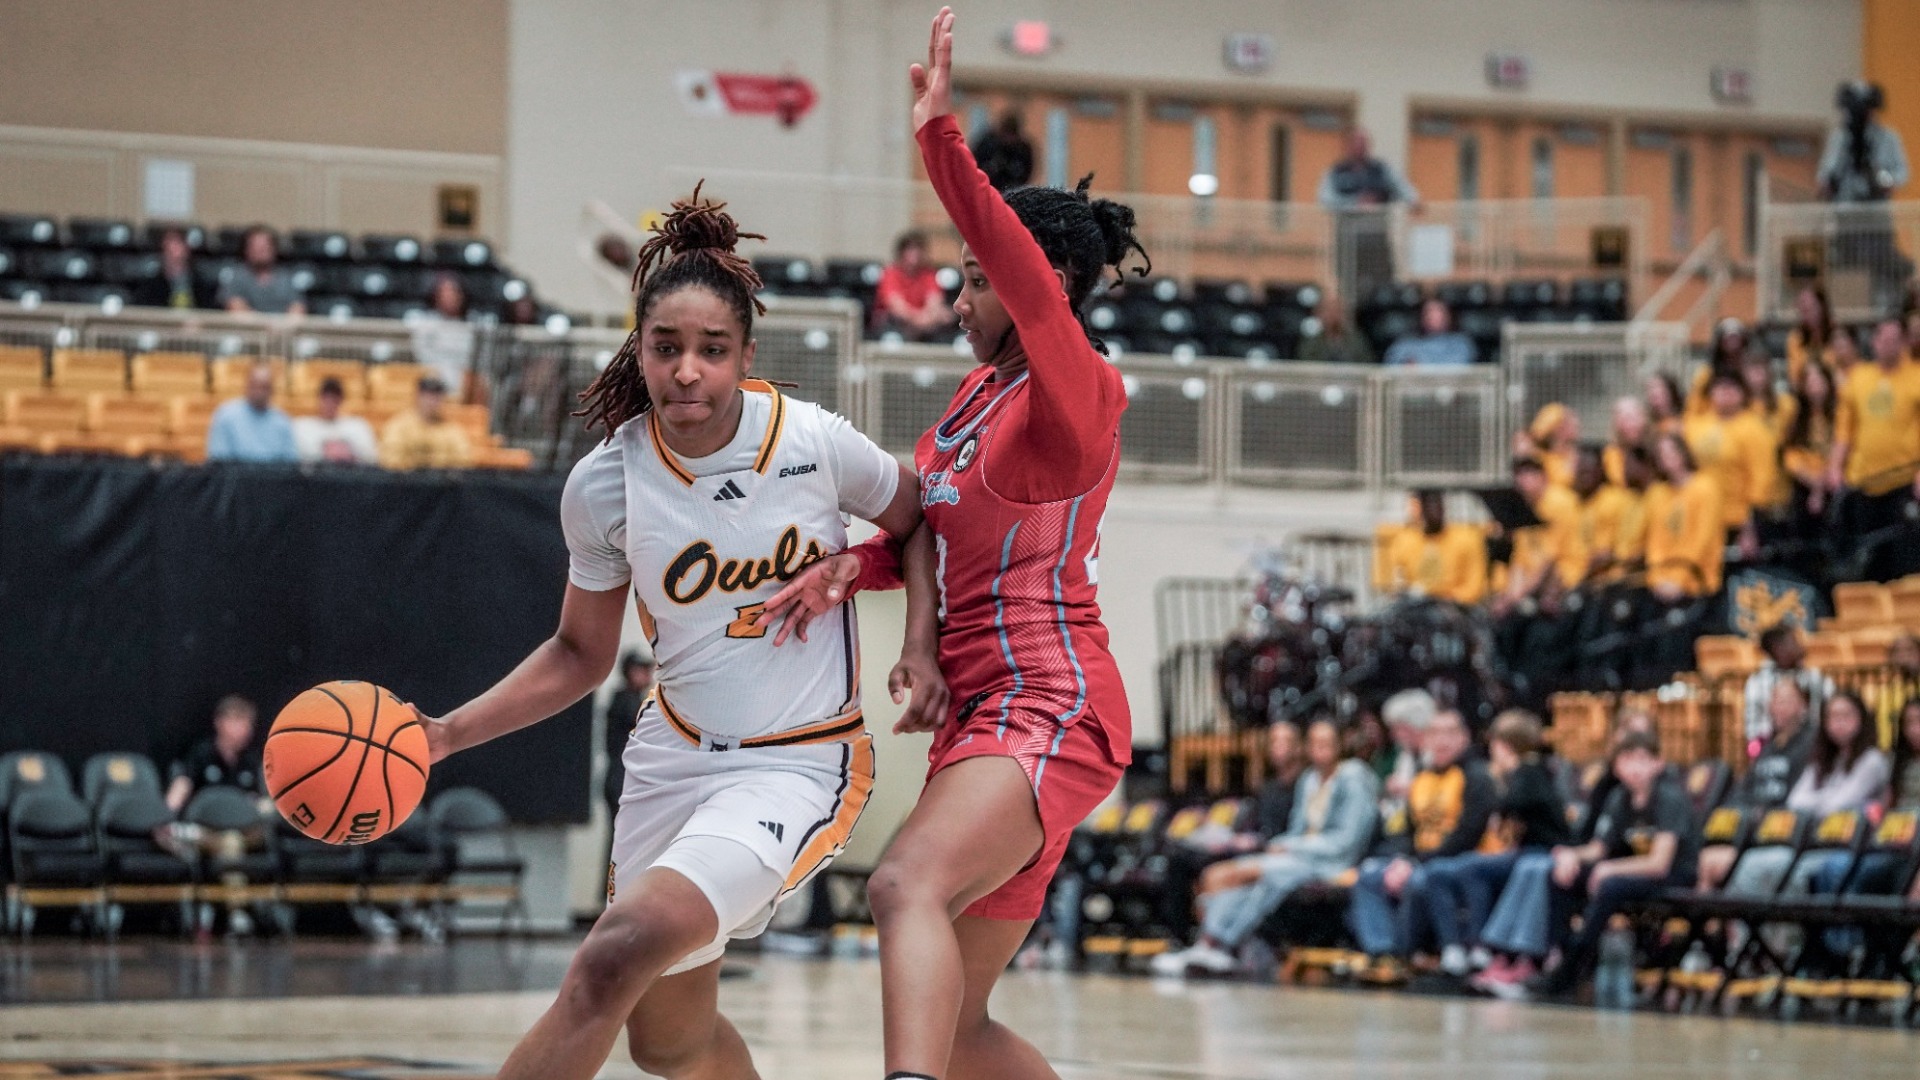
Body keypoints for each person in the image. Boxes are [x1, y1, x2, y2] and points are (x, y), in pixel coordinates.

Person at [417, 187, 925, 1080]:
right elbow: (580, 654)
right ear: (640, 352)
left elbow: (919, 519)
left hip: (795, 762)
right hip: (671, 757)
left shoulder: (812, 443)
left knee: (614, 951)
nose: (688, 369)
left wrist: (901, 622)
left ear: (743, 357)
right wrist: (447, 733)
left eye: (711, 350)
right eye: (667, 348)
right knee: (668, 1042)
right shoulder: (606, 485)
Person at [756, 16, 1144, 1076]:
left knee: (900, 887)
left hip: (1049, 702)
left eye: (973, 281)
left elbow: (1025, 279)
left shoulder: (1081, 394)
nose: (956, 298)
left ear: (1038, 289)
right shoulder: (978, 393)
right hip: (982, 718)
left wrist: (942, 146)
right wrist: (848, 566)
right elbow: (924, 525)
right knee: (962, 1027)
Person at [1151, 717, 1380, 978]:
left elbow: (1347, 840)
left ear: (1340, 745)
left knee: (1260, 876)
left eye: (1326, 743)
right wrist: (1283, 845)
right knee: (1239, 876)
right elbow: (1297, 828)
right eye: (1314, 743)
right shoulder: (1309, 779)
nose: (1319, 750)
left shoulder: (1355, 778)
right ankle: (1213, 944)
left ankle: (1219, 943)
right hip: (1299, 855)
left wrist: (1292, 847)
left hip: (1333, 862)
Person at [1529, 730, 1700, 998]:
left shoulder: (1670, 798)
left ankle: (1573, 967)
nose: (1635, 768)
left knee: (1610, 885)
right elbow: (1599, 849)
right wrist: (1571, 856)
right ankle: (1557, 954)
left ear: (1658, 763)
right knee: (1561, 875)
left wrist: (1610, 868)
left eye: (1643, 760)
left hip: (1676, 876)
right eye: (1627, 760)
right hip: (1633, 874)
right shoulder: (1619, 798)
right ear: (1617, 766)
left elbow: (1659, 864)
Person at [1345, 709, 1496, 980]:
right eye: (1435, 734)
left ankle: (1407, 950)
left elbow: (1467, 836)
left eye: (1450, 734)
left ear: (1464, 738)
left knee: (1418, 881)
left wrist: (1413, 863)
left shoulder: (1476, 777)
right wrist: (1401, 859)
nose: (1442, 741)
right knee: (1368, 875)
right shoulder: (1422, 779)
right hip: (1422, 858)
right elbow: (1409, 831)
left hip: (1462, 862)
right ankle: (1383, 953)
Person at [1423, 710, 1570, 980]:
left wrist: (1498, 788)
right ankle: (1455, 947)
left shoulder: (1528, 770)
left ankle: (1481, 944)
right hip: (1522, 852)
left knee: (1472, 868)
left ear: (1503, 746)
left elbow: (1507, 806)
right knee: (1443, 871)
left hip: (1539, 852)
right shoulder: (1525, 772)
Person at [1720, 691, 1888, 899]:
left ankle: (1790, 930)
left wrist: (1819, 800)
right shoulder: (1824, 759)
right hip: (1812, 842)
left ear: (1862, 719)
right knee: (1750, 863)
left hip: (1847, 844)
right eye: (1833, 717)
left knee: (1789, 872)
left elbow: (1837, 806)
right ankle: (1750, 930)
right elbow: (1795, 801)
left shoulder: (1872, 760)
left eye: (1846, 716)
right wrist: (1823, 801)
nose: (1839, 723)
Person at [1694, 679, 1817, 891]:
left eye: (1786, 700)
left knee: (1723, 865)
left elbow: (1799, 796)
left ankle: (1716, 919)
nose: (1779, 706)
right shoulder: (1768, 745)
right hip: (1748, 826)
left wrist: (1761, 815)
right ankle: (1709, 919)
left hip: (1779, 830)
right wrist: (1735, 812)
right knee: (1703, 858)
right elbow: (1744, 788)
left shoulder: (1811, 743)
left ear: (1803, 705)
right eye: (1775, 700)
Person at [1828, 316, 1920, 541]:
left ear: (1904, 342)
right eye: (1884, 339)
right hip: (1863, 483)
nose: (1889, 345)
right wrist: (1835, 466)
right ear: (1874, 341)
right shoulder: (1858, 377)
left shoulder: (1916, 376)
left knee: (1903, 558)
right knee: (1866, 557)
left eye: (1895, 339)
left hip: (1903, 482)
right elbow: (1844, 431)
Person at [1684, 372, 1779, 555]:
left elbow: (1762, 480)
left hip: (1736, 520)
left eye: (1732, 388)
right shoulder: (1696, 425)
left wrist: (1750, 528)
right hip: (1699, 516)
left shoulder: (1754, 429)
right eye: (1720, 388)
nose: (1725, 393)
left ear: (1742, 394)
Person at [1643, 432, 1724, 601]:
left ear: (1683, 452)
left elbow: (1702, 539)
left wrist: (1679, 580)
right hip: (1661, 586)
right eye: (1661, 454)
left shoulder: (1706, 487)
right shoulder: (1657, 493)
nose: (1666, 458)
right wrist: (1657, 579)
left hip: (1698, 583)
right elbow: (1655, 542)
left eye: (1671, 451)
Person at [1382, 489, 1489, 606]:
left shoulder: (1467, 538)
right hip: (1417, 606)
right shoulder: (1404, 541)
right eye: (1426, 503)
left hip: (1456, 609)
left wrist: (1446, 599)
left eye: (1436, 502)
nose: (1432, 509)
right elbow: (1398, 585)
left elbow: (1474, 588)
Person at [165, 695, 264, 813]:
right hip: (204, 823)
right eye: (237, 720)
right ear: (219, 722)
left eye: (248, 722)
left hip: (240, 825)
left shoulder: (252, 760)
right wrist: (166, 815)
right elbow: (181, 786)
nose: (245, 728)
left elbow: (261, 800)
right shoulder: (201, 754)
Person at [1740, 624, 1833, 747]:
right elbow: (1752, 724)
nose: (1800, 646)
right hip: (1771, 746)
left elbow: (1831, 706)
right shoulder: (1757, 682)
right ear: (1778, 649)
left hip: (1812, 744)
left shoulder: (1815, 678)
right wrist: (1758, 749)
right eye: (1793, 642)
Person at [1781, 359, 1840, 526]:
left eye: (1819, 380)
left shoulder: (1840, 413)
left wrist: (1821, 485)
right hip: (1803, 486)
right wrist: (1811, 480)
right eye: (1810, 382)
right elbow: (1789, 454)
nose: (1815, 387)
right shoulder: (1796, 416)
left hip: (1834, 486)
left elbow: (1841, 447)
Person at [206, 361, 298, 463]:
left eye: (264, 387)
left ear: (272, 390)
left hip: (273, 478)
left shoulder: (282, 421)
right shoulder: (225, 415)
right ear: (246, 385)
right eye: (254, 386)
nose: (259, 392)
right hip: (234, 477)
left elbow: (290, 463)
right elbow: (219, 460)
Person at [409, 273, 480, 402]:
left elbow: (473, 358)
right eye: (444, 293)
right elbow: (421, 354)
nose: (449, 297)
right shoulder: (426, 323)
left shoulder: (472, 325)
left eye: (453, 292)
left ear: (461, 296)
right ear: (436, 296)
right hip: (433, 383)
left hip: (463, 383)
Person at [874, 231, 956, 342]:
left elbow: (935, 303)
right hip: (897, 326)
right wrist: (920, 320)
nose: (915, 253)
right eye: (910, 249)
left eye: (919, 249)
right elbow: (897, 308)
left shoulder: (928, 275)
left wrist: (927, 319)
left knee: (948, 317)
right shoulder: (890, 274)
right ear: (901, 252)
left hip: (926, 325)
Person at [381, 376, 475, 470]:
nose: (433, 401)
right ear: (418, 396)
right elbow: (391, 460)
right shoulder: (399, 426)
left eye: (437, 396)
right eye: (429, 396)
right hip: (406, 482)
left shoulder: (451, 429)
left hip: (442, 482)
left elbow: (464, 460)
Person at [219, 226, 307, 316]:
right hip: (248, 328)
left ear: (274, 249)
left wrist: (281, 327)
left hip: (282, 328)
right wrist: (263, 326)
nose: (260, 251)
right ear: (246, 250)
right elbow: (236, 308)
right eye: (255, 247)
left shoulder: (287, 278)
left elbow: (297, 309)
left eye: (264, 247)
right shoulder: (236, 276)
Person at [291, 377, 379, 465]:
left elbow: (371, 459)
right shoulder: (302, 426)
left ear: (340, 400)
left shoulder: (358, 426)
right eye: (326, 398)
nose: (329, 403)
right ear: (319, 399)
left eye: (334, 398)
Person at [132, 227, 209, 310]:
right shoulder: (152, 285)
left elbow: (209, 309)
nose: (174, 250)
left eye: (178, 243)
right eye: (169, 245)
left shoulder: (200, 283)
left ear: (187, 249)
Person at [1383, 299, 1476, 367]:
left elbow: (1459, 365)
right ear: (1422, 317)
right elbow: (1391, 364)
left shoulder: (1461, 343)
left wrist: (1420, 365)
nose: (1434, 318)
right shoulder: (1406, 343)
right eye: (1429, 313)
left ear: (1448, 317)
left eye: (1439, 313)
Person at [1297, 294, 1375, 364]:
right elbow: (1305, 363)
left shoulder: (1356, 340)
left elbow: (1366, 363)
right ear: (1320, 314)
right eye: (1329, 311)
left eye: (1338, 311)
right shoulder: (1312, 341)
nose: (1333, 316)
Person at [969, 109, 1034, 192]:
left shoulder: (1022, 149)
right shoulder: (987, 145)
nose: (1008, 141)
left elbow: (1026, 172)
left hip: (1012, 191)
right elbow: (974, 164)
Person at [1786, 285, 1837, 388]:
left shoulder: (1837, 335)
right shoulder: (1795, 339)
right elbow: (1794, 377)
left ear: (1822, 307)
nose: (1807, 314)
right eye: (1803, 309)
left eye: (1811, 307)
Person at [1603, 396, 1651, 487]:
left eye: (1633, 418)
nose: (1630, 425)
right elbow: (1618, 481)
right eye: (1624, 419)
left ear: (1643, 419)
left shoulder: (1656, 447)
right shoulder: (1611, 453)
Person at [1644, 371, 1686, 438]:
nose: (1653, 392)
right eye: (1650, 389)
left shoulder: (1686, 415)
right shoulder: (1649, 424)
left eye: (1658, 387)